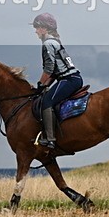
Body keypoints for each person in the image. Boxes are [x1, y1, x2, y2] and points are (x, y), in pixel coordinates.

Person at [31, 13, 84, 149]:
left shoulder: (48, 44)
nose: (35, 31)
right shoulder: (55, 42)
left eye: (37, 28)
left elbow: (48, 69)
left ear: (44, 28)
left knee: (47, 102)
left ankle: (50, 139)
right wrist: (44, 86)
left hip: (68, 79)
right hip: (72, 78)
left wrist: (40, 85)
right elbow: (54, 72)